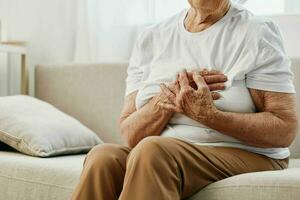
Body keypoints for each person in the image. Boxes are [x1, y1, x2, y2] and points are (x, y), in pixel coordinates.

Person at [71, 0, 299, 199]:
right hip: (165, 152)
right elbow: (130, 133)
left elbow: (284, 129)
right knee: (103, 158)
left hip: (246, 153)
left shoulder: (256, 32)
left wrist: (209, 115)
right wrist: (167, 100)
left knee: (153, 151)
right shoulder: (152, 37)